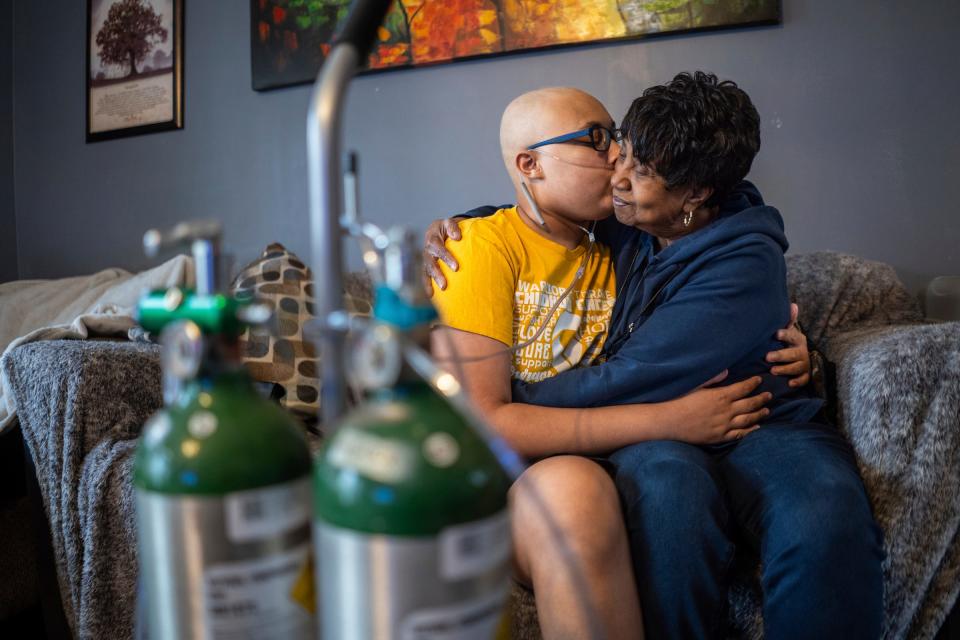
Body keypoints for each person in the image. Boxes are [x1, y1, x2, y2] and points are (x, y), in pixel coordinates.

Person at [426, 72, 882, 639]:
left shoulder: (737, 261)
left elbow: (625, 380)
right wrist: (458, 227)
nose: (616, 171)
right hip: (653, 437)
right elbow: (533, 212)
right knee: (669, 493)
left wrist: (505, 402)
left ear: (694, 195)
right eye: (617, 147)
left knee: (823, 509)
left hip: (757, 422)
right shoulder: (623, 221)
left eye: (636, 169)